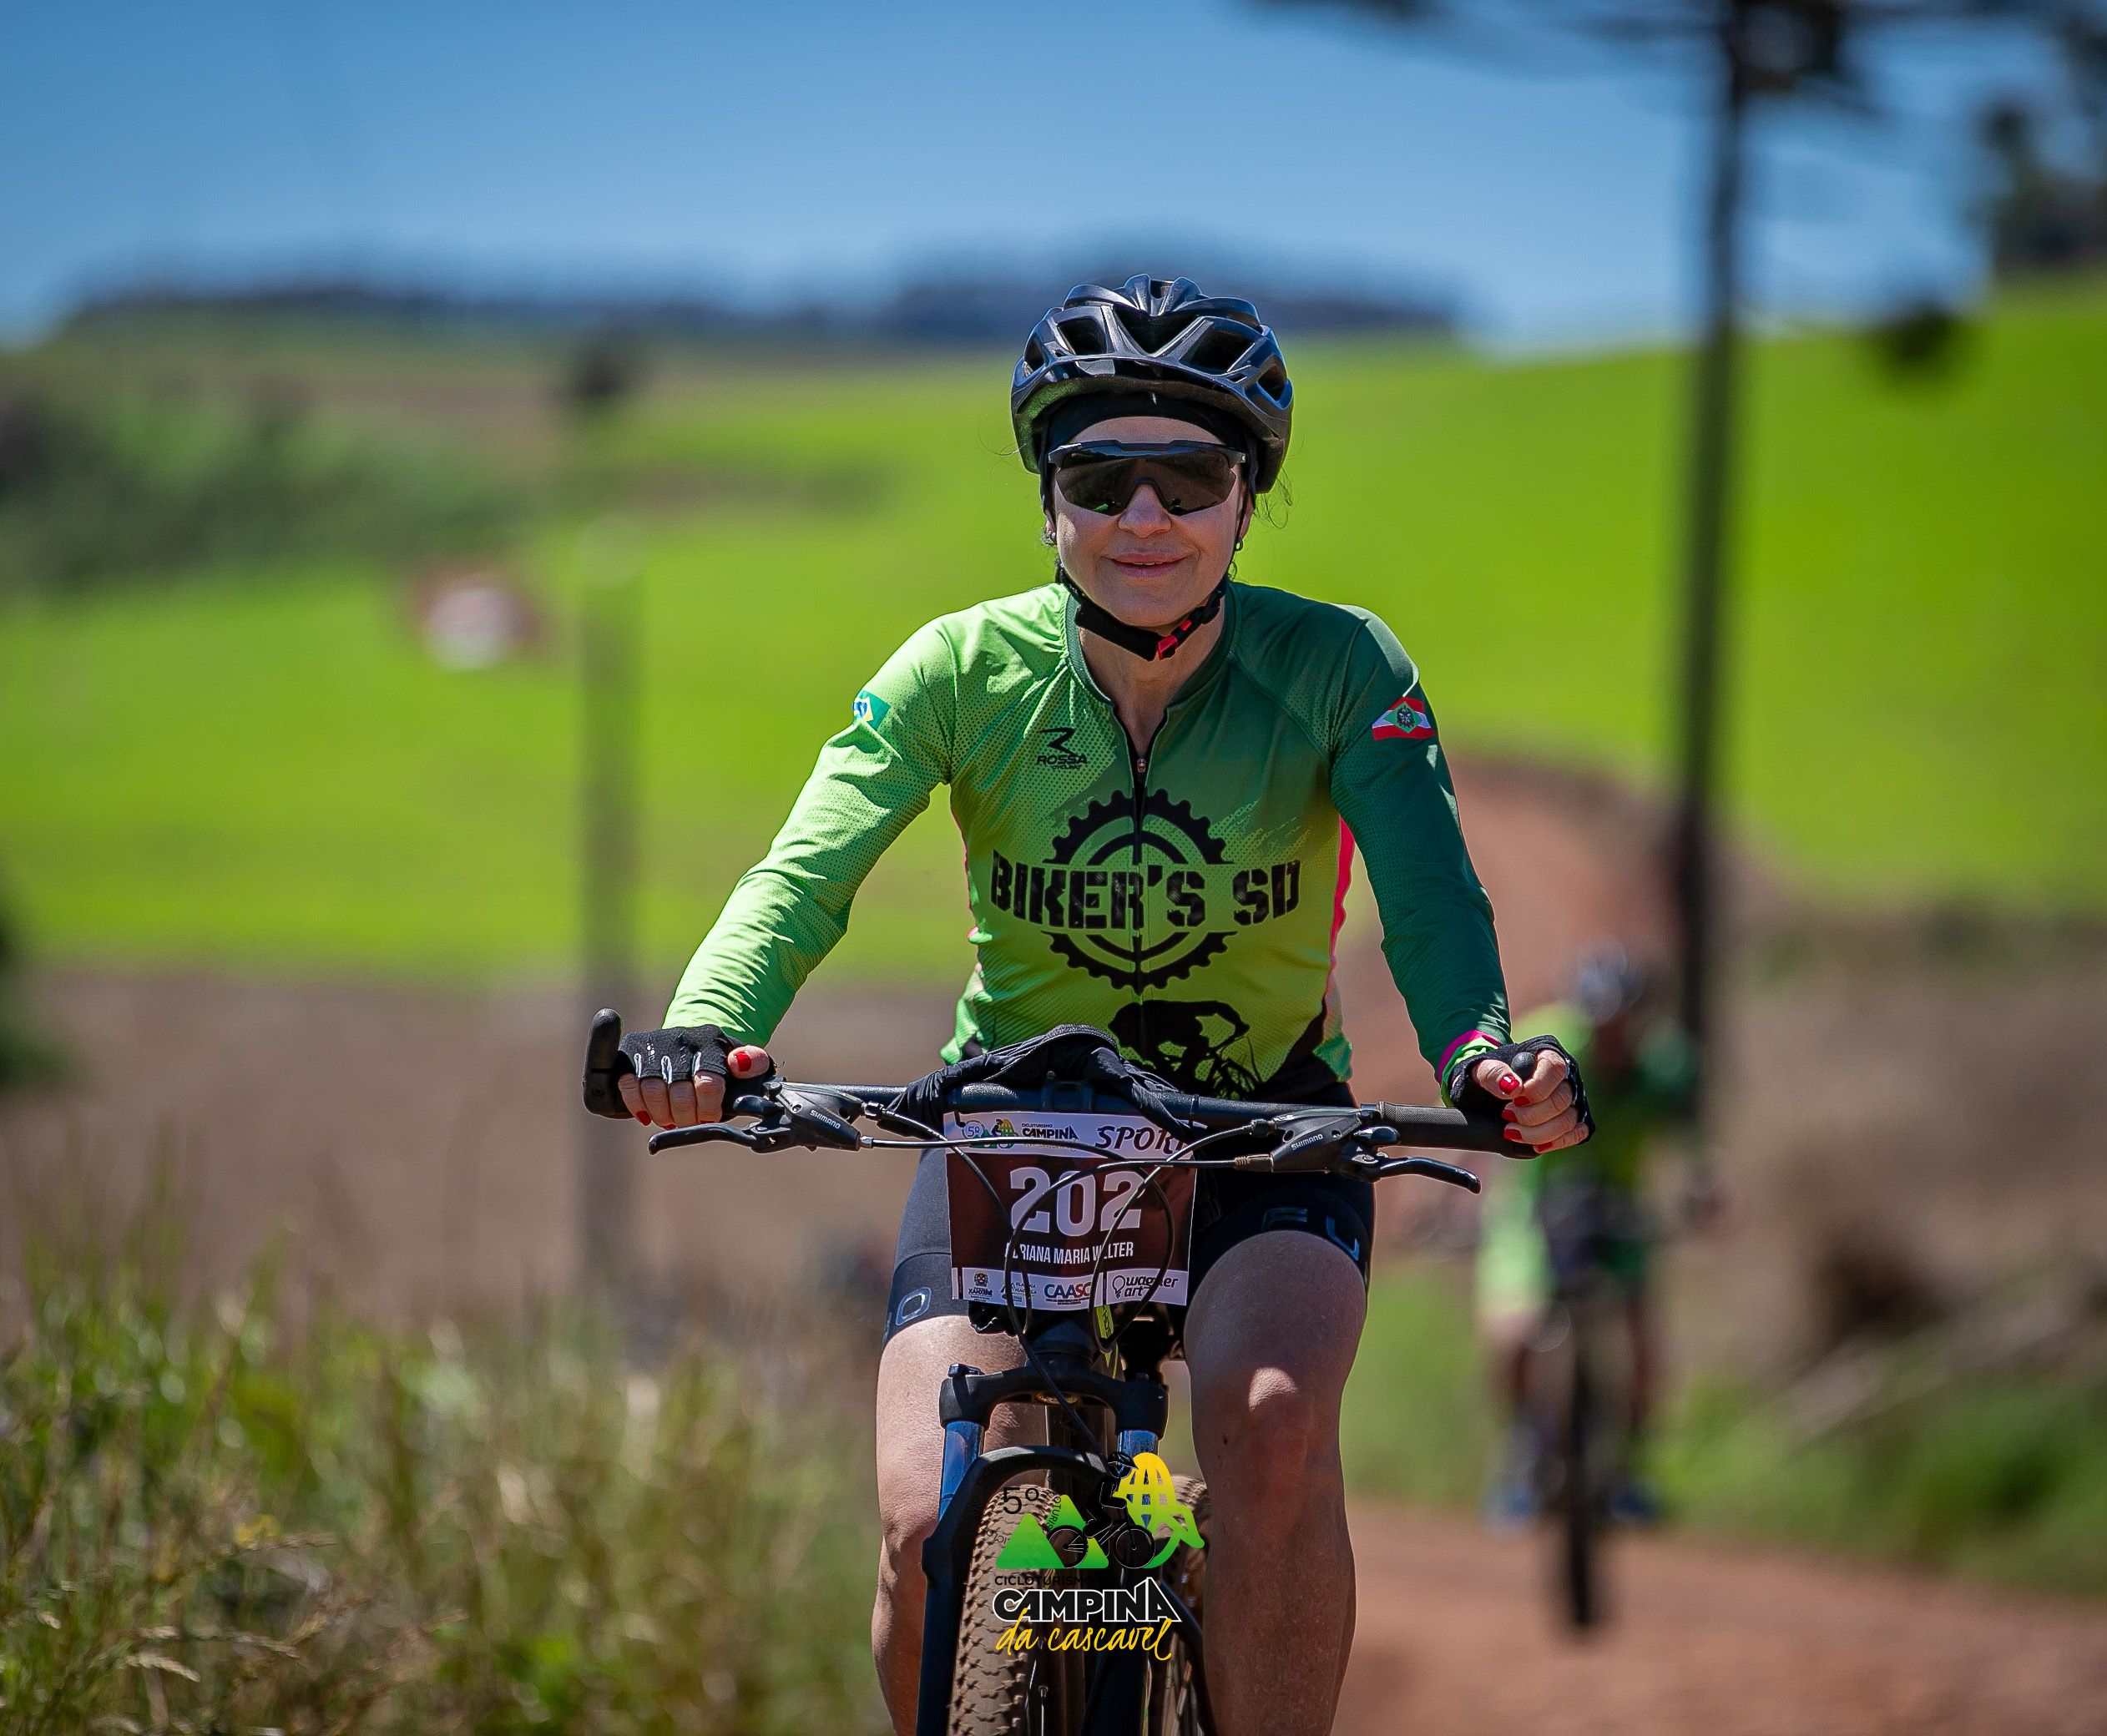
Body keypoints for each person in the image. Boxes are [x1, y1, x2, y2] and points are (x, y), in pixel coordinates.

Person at [589, 276, 1589, 1736]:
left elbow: (1431, 900)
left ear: (1249, 494)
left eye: (1190, 476)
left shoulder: (1340, 669)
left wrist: (1481, 1057)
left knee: (1271, 1430)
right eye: (1098, 476)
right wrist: (706, 1021)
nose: (1144, 517)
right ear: (1047, 495)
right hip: (1013, 1126)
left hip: (1261, 1133)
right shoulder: (958, 670)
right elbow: (803, 873)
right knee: (922, 1527)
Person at [1473, 945, 1716, 1529]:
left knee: (1640, 1343)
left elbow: (1691, 1145)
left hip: (1618, 1205)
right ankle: (1524, 1454)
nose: (1608, 1036)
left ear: (1642, 1020)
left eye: (1621, 1023)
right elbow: (1481, 1114)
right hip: (1536, 1203)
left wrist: (1704, 1188)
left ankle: (1629, 1468)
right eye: (1597, 1021)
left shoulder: (1666, 1068)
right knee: (1515, 1334)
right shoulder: (1547, 1048)